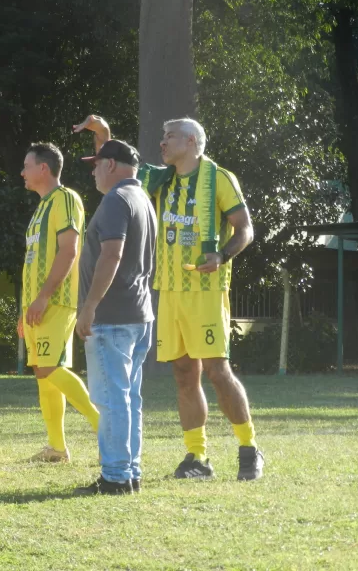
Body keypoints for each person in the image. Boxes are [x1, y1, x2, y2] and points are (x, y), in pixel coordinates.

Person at [74, 114, 263, 481]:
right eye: (162, 136)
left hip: (205, 293)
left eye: (170, 136)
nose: (162, 143)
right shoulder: (161, 179)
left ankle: (249, 447)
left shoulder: (218, 178)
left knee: (217, 371)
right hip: (169, 292)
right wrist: (105, 135)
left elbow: (246, 228)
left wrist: (222, 254)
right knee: (183, 373)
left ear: (192, 142)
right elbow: (115, 170)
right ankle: (197, 456)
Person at [72, 139, 156, 495]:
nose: (92, 171)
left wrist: (90, 305)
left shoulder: (115, 200)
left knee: (110, 399)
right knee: (127, 397)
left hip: (112, 316)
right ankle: (129, 471)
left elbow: (112, 255)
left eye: (95, 163)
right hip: (138, 315)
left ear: (110, 164)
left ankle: (117, 476)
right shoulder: (142, 199)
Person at [18, 142, 99, 463]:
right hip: (37, 305)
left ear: (44, 168)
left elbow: (69, 250)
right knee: (42, 371)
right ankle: (56, 448)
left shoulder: (66, 199)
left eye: (26, 165)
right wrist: (26, 309)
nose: (22, 172)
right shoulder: (41, 206)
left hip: (56, 301)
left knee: (51, 367)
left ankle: (102, 425)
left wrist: (43, 297)